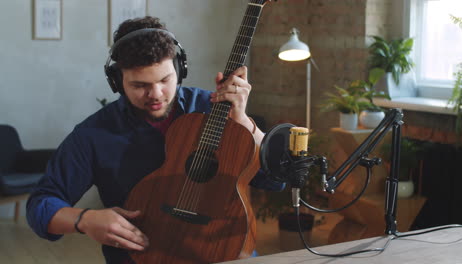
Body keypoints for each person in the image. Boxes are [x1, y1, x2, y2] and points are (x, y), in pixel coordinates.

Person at [26, 16, 284, 263]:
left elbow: (273, 181)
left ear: (179, 69)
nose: (156, 94)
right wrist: (84, 219)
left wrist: (244, 123)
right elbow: (41, 204)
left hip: (227, 252)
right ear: (117, 81)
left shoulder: (213, 108)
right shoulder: (94, 133)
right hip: (142, 257)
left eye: (165, 79)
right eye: (140, 85)